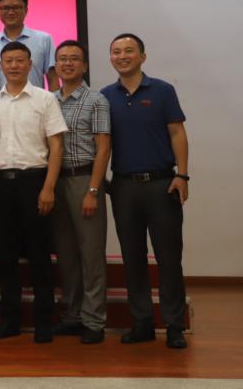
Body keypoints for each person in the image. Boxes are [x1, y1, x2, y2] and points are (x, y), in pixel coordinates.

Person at [102, 33, 190, 349]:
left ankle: (174, 325)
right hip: (124, 187)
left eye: (129, 50)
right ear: (111, 58)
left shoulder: (163, 91)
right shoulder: (105, 96)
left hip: (162, 184)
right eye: (116, 51)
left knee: (169, 257)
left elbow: (177, 132)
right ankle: (142, 323)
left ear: (142, 56)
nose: (122, 56)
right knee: (133, 257)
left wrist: (183, 175)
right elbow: (103, 144)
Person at [0, 41, 67, 343]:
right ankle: (10, 320)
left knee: (39, 255)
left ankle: (44, 321)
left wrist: (48, 187)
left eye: (20, 61)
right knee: (5, 256)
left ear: (31, 65)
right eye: (9, 61)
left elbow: (56, 145)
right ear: (1, 65)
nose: (14, 66)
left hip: (35, 182)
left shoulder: (45, 99)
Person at [52, 40, 111, 344]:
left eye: (74, 59)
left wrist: (93, 190)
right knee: (66, 254)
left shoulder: (96, 100)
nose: (68, 63)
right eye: (62, 59)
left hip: (84, 180)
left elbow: (103, 148)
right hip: (56, 182)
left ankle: (93, 321)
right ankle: (72, 316)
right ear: (56, 66)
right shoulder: (49, 100)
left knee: (90, 254)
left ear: (84, 66)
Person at [0, 0, 58, 91]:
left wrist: (53, 100)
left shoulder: (44, 39)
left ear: (26, 10)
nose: (11, 12)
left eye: (16, 7)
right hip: (1, 101)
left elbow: (53, 79)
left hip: (36, 101)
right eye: (5, 8)